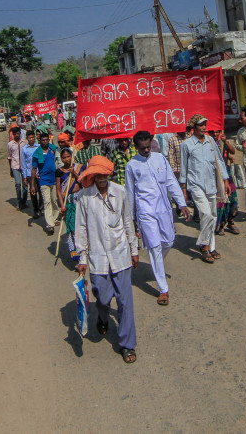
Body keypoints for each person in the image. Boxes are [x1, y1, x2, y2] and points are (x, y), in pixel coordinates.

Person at [74, 155, 140, 364]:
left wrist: (134, 249)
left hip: (121, 254)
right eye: (98, 174)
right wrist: (82, 257)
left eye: (105, 174)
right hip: (98, 258)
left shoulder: (120, 192)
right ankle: (103, 318)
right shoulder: (84, 197)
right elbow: (81, 228)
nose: (102, 178)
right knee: (102, 298)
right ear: (92, 175)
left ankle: (127, 345)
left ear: (109, 173)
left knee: (125, 302)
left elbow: (128, 222)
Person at [124, 130, 191, 306]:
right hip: (145, 211)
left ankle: (157, 263)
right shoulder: (132, 165)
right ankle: (163, 289)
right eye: (143, 148)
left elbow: (171, 182)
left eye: (148, 147)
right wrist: (131, 219)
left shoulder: (160, 159)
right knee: (154, 246)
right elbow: (130, 193)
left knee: (168, 241)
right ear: (136, 147)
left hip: (163, 208)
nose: (146, 151)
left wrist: (182, 204)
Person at [179, 114, 228, 264]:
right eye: (201, 125)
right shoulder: (186, 145)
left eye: (205, 124)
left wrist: (225, 180)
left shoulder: (211, 141)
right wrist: (183, 188)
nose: (204, 127)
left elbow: (219, 160)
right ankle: (204, 245)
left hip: (211, 184)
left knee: (213, 215)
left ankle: (211, 247)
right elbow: (184, 167)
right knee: (205, 214)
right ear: (194, 127)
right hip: (196, 185)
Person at [209, 129, 240, 236]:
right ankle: (219, 225)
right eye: (213, 132)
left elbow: (233, 151)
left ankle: (231, 221)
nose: (215, 134)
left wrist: (226, 142)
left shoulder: (223, 142)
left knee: (232, 198)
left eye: (217, 132)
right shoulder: (207, 144)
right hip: (214, 175)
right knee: (220, 200)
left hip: (226, 173)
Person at [56, 147, 82, 267]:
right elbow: (58, 189)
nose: (66, 159)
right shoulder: (59, 172)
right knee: (71, 229)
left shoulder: (79, 168)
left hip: (79, 201)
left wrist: (74, 173)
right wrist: (62, 206)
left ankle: (84, 253)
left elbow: (83, 183)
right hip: (67, 201)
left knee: (81, 227)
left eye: (68, 157)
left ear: (72, 156)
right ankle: (75, 254)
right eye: (64, 157)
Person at [30, 132, 58, 235]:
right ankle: (50, 225)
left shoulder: (53, 150)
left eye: (47, 140)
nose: (45, 142)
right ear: (40, 141)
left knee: (54, 200)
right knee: (47, 202)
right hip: (43, 181)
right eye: (43, 140)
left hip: (54, 180)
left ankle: (54, 218)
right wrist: (32, 185)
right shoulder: (37, 153)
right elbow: (33, 169)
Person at [19, 130, 39, 213]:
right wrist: (24, 177)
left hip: (39, 172)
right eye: (30, 138)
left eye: (33, 137)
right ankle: (35, 209)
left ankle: (41, 208)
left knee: (41, 192)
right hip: (29, 174)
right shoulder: (24, 149)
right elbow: (23, 163)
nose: (31, 139)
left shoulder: (38, 147)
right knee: (33, 191)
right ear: (27, 138)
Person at [7, 126, 25, 210]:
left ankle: (24, 202)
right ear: (13, 135)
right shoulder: (10, 144)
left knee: (25, 186)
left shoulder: (24, 142)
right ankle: (19, 202)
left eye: (18, 133)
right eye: (15, 134)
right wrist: (10, 169)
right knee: (18, 184)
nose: (17, 135)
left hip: (24, 167)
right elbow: (9, 157)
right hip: (15, 166)